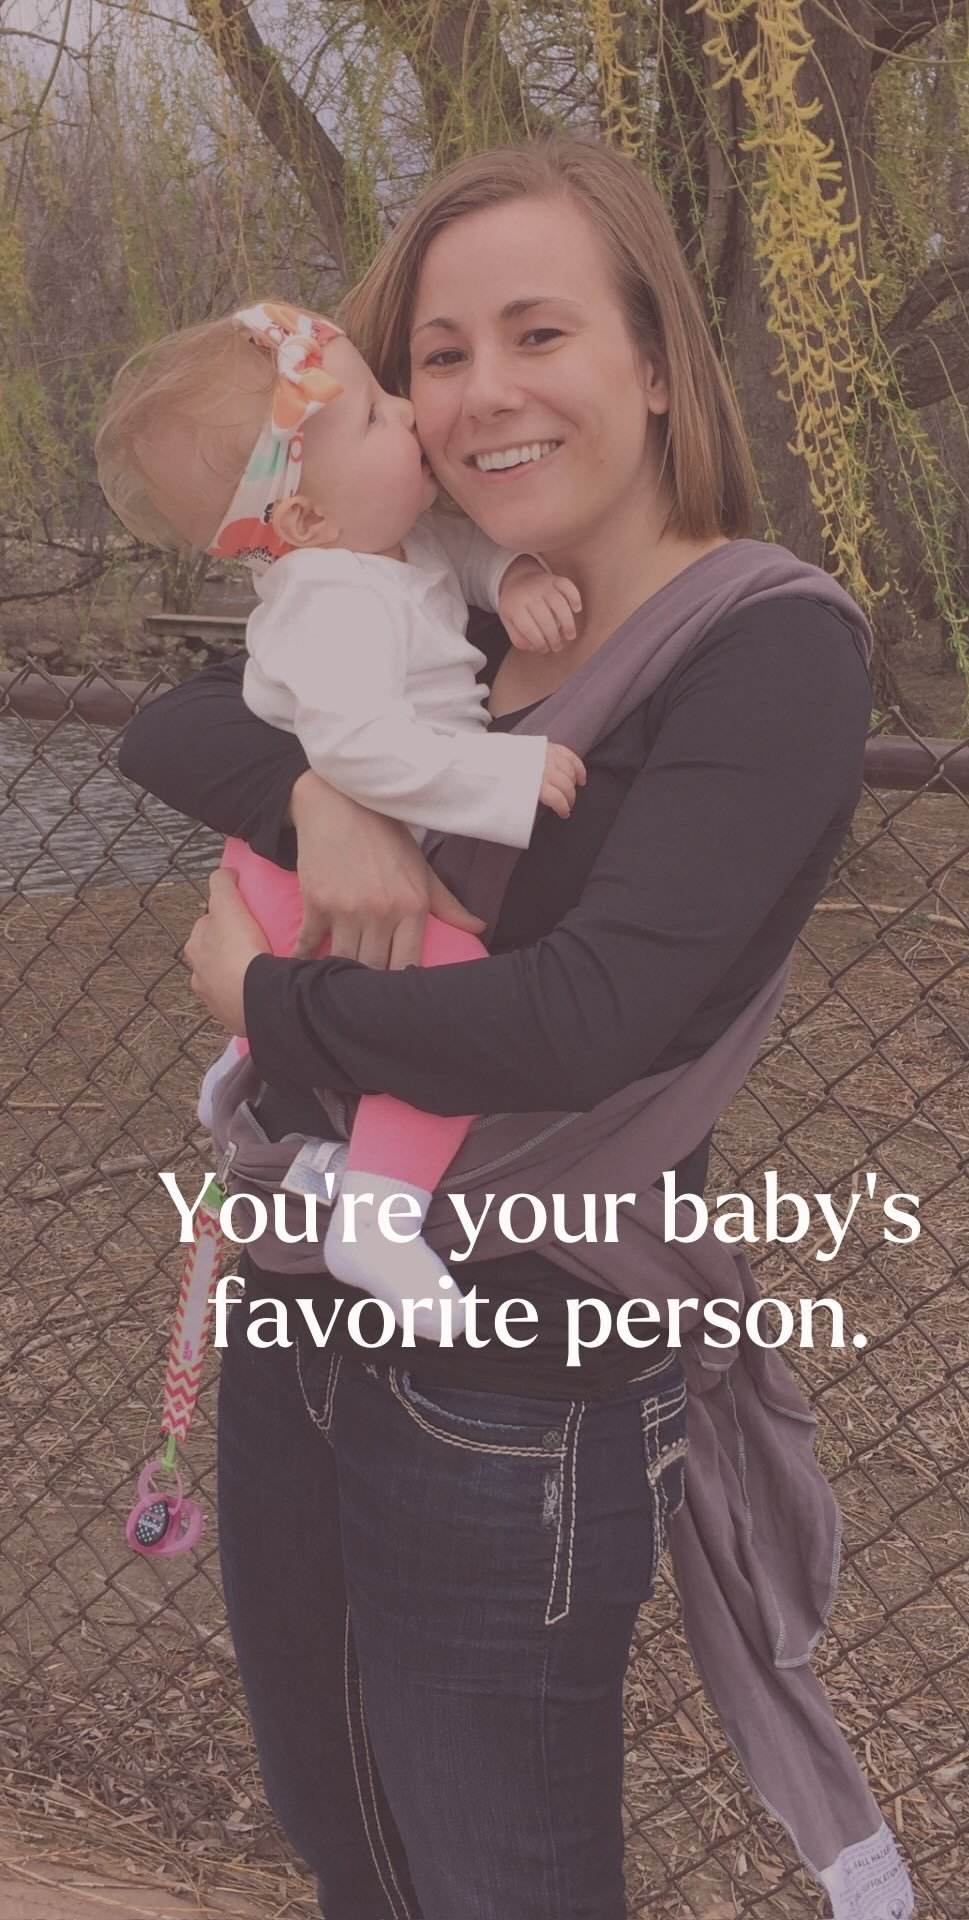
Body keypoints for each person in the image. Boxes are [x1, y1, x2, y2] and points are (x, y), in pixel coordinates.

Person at [118, 140, 910, 1920]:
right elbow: (171, 724)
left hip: (516, 1365)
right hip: (297, 1315)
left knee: (498, 1879)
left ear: (657, 359)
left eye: (538, 333)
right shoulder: (444, 594)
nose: (481, 393)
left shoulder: (764, 646)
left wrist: (267, 1000)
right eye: (440, 353)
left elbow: (580, 1023)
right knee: (345, 1839)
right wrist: (326, 803)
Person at [95, 297, 586, 1329]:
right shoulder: (333, 598)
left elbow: (460, 555)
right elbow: (359, 748)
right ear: (306, 523)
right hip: (295, 871)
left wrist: (514, 577)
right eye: (370, 416)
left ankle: (248, 1059)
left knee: (392, 996)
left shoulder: (387, 545)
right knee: (450, 1003)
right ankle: (377, 1212)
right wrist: (499, 778)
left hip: (299, 856)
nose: (406, 412)